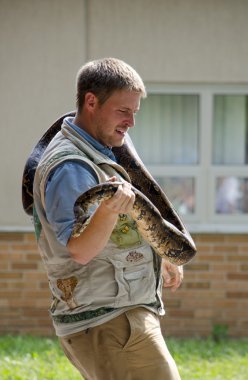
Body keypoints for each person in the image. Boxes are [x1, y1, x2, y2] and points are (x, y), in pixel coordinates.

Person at [33, 58, 183, 380]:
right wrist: (108, 209)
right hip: (108, 321)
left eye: (134, 112)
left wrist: (159, 250)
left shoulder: (101, 149)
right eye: (122, 111)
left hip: (119, 315)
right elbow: (80, 250)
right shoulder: (71, 167)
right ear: (91, 102)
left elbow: (119, 230)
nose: (131, 123)